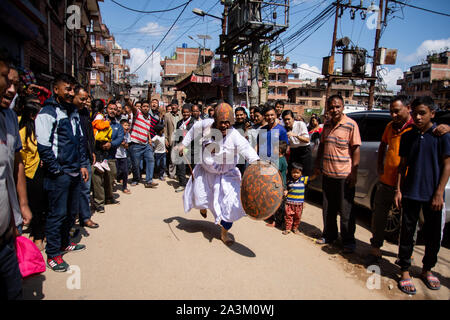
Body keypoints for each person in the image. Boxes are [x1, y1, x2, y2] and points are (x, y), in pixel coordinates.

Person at [178, 102, 260, 245]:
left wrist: (258, 165)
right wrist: (183, 145)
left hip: (227, 177)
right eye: (221, 123)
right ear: (215, 120)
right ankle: (203, 207)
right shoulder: (205, 125)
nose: (224, 126)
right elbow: (191, 132)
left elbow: (248, 151)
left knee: (230, 206)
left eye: (228, 123)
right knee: (199, 199)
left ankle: (224, 233)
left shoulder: (235, 136)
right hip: (205, 173)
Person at [394, 96, 450, 295]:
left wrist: (439, 193)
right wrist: (398, 190)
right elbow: (402, 166)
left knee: (434, 235)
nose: (417, 117)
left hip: (433, 195)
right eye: (415, 113)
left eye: (422, 113)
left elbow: (447, 165)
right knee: (407, 233)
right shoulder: (409, 136)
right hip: (411, 192)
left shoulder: (441, 135)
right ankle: (405, 270)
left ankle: (427, 269)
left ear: (432, 114)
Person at [35, 73, 89, 272]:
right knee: (56, 214)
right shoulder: (47, 112)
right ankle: (53, 254)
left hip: (75, 171)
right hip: (60, 174)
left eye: (72, 89)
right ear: (56, 89)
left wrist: (82, 164)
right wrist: (56, 170)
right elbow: (44, 147)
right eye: (67, 89)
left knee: (70, 212)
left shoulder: (73, 112)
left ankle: (66, 242)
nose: (71, 93)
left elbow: (80, 141)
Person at [0, 56, 32, 299]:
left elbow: (17, 163)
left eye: (16, 84)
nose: (12, 90)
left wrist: (21, 205)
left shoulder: (10, 117)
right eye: (5, 81)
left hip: (8, 232)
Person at [313, 95, 361, 253]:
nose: (334, 110)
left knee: (346, 211)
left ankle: (348, 241)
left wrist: (354, 173)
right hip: (328, 174)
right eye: (331, 107)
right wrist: (317, 163)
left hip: (344, 176)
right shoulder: (326, 125)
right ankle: (329, 235)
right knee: (328, 209)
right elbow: (322, 146)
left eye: (337, 107)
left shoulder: (351, 125)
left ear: (343, 107)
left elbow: (355, 150)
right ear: (327, 108)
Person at [73, 86, 98, 229]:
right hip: (71, 157)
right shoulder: (69, 112)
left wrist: (91, 150)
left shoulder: (84, 113)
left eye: (87, 99)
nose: (85, 102)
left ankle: (85, 217)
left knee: (85, 188)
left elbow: (88, 134)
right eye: (82, 99)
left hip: (85, 155)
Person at [92, 101, 124, 212]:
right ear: (106, 109)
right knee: (97, 179)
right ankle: (99, 203)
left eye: (115, 109)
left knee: (111, 177)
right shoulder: (100, 121)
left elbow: (120, 138)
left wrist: (111, 144)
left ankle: (109, 197)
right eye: (111, 108)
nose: (113, 111)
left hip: (110, 156)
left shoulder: (118, 126)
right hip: (98, 156)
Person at [266, 140, 288, 228]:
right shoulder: (275, 159)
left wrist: (284, 188)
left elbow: (283, 175)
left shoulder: (282, 161)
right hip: (272, 183)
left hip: (279, 185)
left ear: (280, 150)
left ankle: (275, 221)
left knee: (277, 204)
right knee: (271, 201)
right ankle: (270, 217)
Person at [282, 110, 311, 176]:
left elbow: (307, 140)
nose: (287, 121)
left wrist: (296, 135)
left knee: (304, 174)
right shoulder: (284, 128)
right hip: (294, 152)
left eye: (288, 119)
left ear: (293, 118)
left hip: (304, 151)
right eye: (285, 120)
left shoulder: (300, 124)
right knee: (293, 173)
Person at [283, 162, 308, 235]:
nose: (295, 174)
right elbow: (287, 188)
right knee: (288, 216)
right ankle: (288, 229)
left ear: (301, 173)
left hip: (299, 204)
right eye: (293, 172)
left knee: (297, 217)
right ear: (291, 172)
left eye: (297, 173)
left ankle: (295, 228)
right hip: (289, 203)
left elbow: (312, 177)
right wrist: (286, 191)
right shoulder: (289, 181)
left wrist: (317, 173)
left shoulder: (303, 180)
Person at [175, 104, 194, 192]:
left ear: (190, 112)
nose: (185, 114)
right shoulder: (179, 123)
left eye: (187, 112)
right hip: (182, 147)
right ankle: (182, 184)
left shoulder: (194, 122)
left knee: (194, 168)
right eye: (184, 112)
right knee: (180, 165)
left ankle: (195, 185)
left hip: (193, 147)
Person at [92, 100, 112, 172]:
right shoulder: (99, 115)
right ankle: (98, 162)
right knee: (100, 150)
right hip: (99, 136)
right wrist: (107, 123)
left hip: (98, 136)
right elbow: (98, 125)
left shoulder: (95, 115)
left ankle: (101, 162)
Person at [116, 119, 131, 194]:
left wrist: (124, 144)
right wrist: (119, 142)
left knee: (125, 172)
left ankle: (124, 187)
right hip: (115, 155)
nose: (127, 127)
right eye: (125, 125)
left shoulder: (127, 135)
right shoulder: (116, 133)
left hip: (123, 155)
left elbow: (127, 145)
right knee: (114, 172)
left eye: (128, 125)